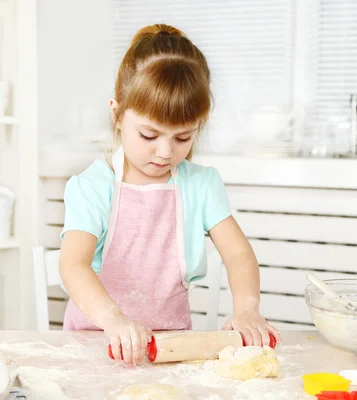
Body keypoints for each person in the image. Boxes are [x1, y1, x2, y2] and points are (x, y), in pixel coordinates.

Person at [59, 23, 280, 367]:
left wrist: (247, 311)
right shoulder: (92, 186)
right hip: (96, 344)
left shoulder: (201, 185)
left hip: (173, 348)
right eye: (149, 134)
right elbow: (74, 264)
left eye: (182, 138)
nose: (164, 152)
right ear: (116, 114)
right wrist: (114, 321)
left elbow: (238, 255)